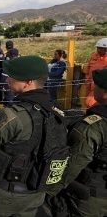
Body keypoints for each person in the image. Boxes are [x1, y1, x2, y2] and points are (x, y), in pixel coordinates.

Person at [0, 56, 69, 216]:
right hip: (35, 193)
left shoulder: (12, 115)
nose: (8, 79)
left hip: (3, 195)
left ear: (28, 82)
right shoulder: (56, 113)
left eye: (13, 77)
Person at [58, 68, 107, 216]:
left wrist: (52, 189)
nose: (93, 88)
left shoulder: (93, 126)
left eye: (97, 85)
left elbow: (74, 164)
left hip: (93, 197)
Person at [85, 38, 107, 108]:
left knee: (95, 104)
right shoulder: (93, 56)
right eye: (98, 48)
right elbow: (88, 69)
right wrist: (87, 80)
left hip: (102, 87)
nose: (99, 50)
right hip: (90, 85)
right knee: (88, 102)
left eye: (101, 48)